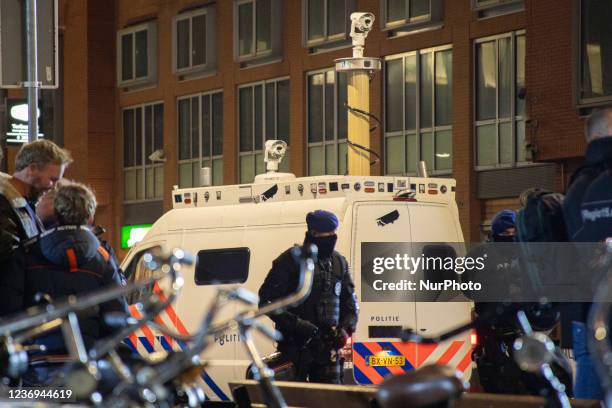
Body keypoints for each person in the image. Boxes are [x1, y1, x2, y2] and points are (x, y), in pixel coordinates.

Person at [19, 181, 127, 385]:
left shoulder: (27, 254)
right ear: (90, 216)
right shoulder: (101, 257)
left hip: (37, 367)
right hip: (86, 368)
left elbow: (10, 308)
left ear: (56, 214)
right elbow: (117, 316)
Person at [258, 210, 358, 384]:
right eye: (327, 234)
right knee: (294, 400)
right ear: (313, 233)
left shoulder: (339, 263)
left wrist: (345, 328)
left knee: (329, 400)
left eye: (334, 234)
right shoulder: (291, 260)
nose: (332, 238)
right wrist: (299, 325)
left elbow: (350, 304)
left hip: (327, 351)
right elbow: (266, 301)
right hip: (296, 348)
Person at [562, 107, 612, 400]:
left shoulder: (579, 185)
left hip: (584, 313)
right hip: (599, 314)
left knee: (589, 396)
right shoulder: (597, 185)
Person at [0, 140, 72, 316]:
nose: (54, 187)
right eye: (52, 179)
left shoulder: (22, 205)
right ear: (32, 169)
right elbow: (9, 259)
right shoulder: (6, 204)